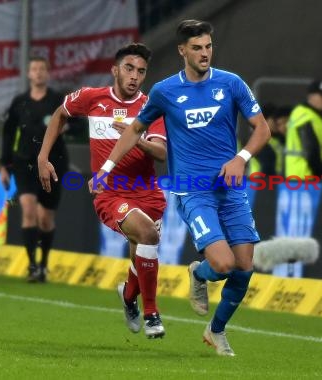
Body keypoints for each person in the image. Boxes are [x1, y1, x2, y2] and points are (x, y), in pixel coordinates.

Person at [96, 20, 271, 356]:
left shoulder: (231, 83)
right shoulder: (164, 91)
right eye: (196, 48)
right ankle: (200, 273)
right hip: (193, 190)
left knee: (244, 268)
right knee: (223, 265)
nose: (204, 53)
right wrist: (106, 168)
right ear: (182, 51)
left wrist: (241, 157)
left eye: (208, 47)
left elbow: (261, 129)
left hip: (231, 188)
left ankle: (216, 331)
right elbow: (135, 129)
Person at [37, 43, 168, 339]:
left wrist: (136, 138)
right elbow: (60, 114)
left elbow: (160, 153)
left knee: (141, 256)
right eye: (129, 69)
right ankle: (152, 313)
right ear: (115, 70)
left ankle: (127, 298)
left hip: (148, 194)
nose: (135, 76)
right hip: (112, 193)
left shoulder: (152, 107)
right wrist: (43, 157)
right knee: (147, 235)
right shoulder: (92, 98)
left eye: (141, 71)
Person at [0, 56, 68, 283]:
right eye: (34, 69)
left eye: (42, 69)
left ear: (47, 74)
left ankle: (44, 263)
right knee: (28, 210)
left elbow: (76, 121)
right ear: (28, 74)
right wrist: (4, 165)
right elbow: (8, 133)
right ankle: (31, 266)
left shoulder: (58, 100)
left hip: (53, 163)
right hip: (25, 163)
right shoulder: (19, 102)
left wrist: (65, 126)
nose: (38, 73)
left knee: (45, 218)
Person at [284, 80, 322, 178]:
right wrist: (321, 176)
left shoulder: (317, 117)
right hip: (303, 178)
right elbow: (311, 150)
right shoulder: (303, 114)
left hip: (307, 178)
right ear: (310, 96)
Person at [252, 104, 289, 175]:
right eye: (274, 120)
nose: (277, 123)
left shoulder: (274, 140)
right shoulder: (261, 141)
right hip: (263, 183)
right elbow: (267, 168)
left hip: (272, 183)